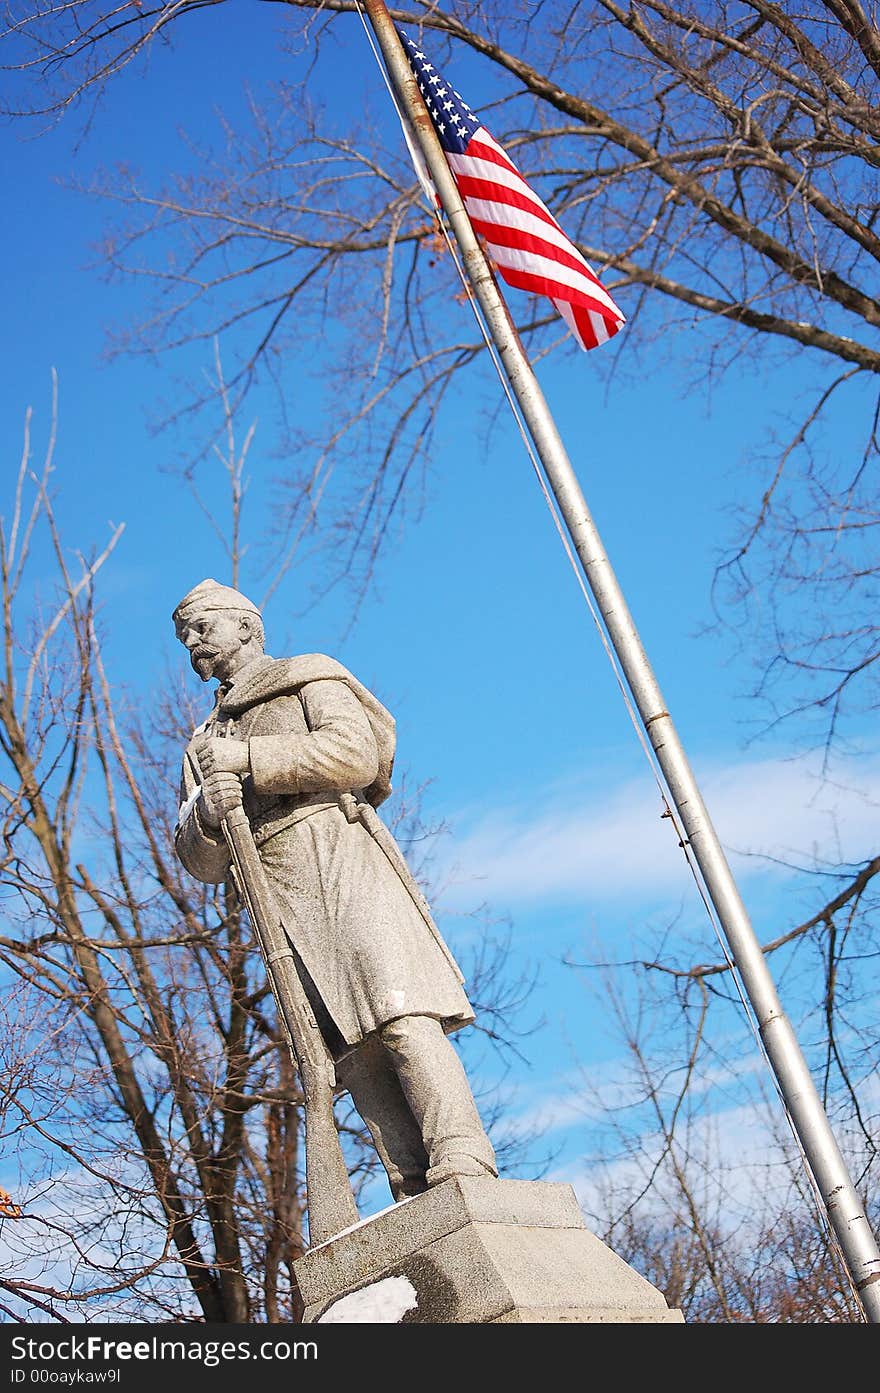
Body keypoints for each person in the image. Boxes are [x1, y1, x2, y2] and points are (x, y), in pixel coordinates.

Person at [172, 578, 497, 1202]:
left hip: (337, 851)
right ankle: (409, 1178)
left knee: (398, 1010)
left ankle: (462, 1154)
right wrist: (208, 813)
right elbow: (201, 861)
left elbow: (356, 755)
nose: (191, 641)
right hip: (274, 891)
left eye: (200, 626)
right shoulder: (203, 742)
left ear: (245, 625)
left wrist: (252, 760)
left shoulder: (307, 674)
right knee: (349, 1048)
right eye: (184, 635)